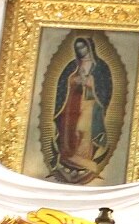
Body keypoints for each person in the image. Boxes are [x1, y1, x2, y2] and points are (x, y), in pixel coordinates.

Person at [49, 35, 114, 184]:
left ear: (89, 47)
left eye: (83, 47)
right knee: (72, 131)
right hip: (72, 105)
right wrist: (74, 81)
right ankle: (70, 159)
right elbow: (62, 85)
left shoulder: (100, 67)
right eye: (77, 48)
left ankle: (85, 160)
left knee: (84, 132)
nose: (80, 50)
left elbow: (105, 90)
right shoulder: (73, 66)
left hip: (90, 106)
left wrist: (90, 84)